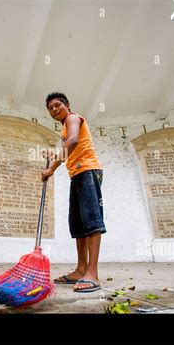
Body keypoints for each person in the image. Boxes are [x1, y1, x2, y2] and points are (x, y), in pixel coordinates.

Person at [41, 92, 106, 293]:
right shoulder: (64, 129)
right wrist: (55, 155)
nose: (54, 109)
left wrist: (51, 168)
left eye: (57, 105)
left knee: (92, 220)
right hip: (76, 174)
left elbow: (74, 141)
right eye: (50, 108)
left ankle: (92, 274)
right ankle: (80, 270)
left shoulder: (72, 118)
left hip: (88, 170)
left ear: (67, 105)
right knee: (78, 223)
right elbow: (70, 150)